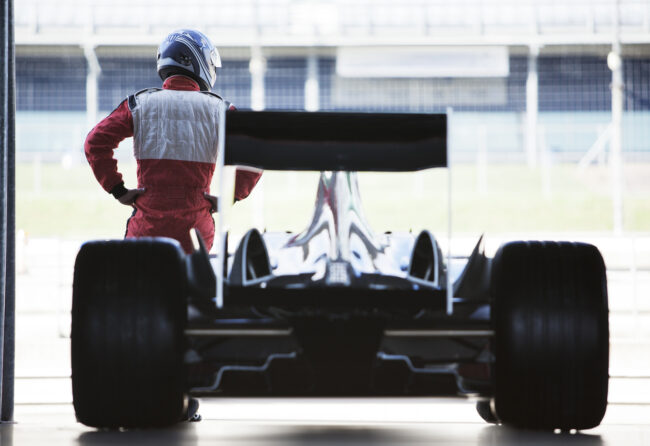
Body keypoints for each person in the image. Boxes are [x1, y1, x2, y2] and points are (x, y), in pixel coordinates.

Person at [84, 29, 261, 255]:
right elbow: (256, 151)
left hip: (146, 228)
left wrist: (118, 189)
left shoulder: (139, 104)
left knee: (139, 287)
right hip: (196, 230)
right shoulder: (221, 110)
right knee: (190, 289)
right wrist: (231, 196)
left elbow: (94, 142)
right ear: (199, 62)